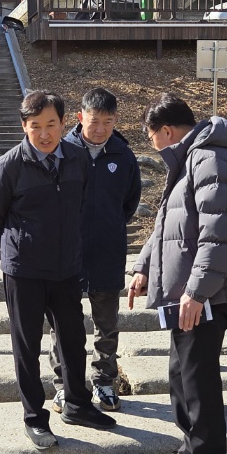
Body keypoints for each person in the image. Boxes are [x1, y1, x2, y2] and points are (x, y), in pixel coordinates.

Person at [129, 93, 227, 454]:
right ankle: (190, 450)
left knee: (199, 377)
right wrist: (143, 267)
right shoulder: (192, 158)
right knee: (182, 373)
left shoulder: (210, 159)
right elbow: (168, 225)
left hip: (212, 291)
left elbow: (220, 234)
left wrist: (196, 291)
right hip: (197, 289)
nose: (154, 146)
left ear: (166, 131)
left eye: (152, 137)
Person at [0, 90, 118, 448]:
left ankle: (77, 405)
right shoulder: (8, 166)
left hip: (66, 269)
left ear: (63, 123)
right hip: (25, 271)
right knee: (27, 346)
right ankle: (34, 418)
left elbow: (81, 205)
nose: (44, 134)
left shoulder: (77, 159)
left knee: (73, 339)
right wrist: (23, 246)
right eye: (35, 126)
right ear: (24, 126)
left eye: (51, 124)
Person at [50, 87, 142, 412]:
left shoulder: (123, 155)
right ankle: (65, 385)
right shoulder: (62, 152)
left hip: (107, 253)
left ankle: (104, 381)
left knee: (107, 325)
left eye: (108, 122)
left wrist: (107, 227)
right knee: (64, 326)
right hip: (67, 254)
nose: (101, 129)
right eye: (94, 121)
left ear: (116, 120)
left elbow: (129, 203)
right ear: (79, 118)